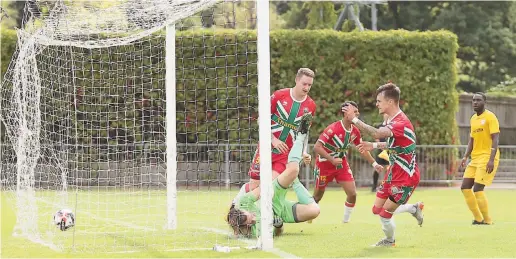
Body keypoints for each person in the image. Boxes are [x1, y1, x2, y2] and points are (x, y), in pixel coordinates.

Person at [342, 82, 424, 247]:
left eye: (379, 101)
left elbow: (378, 133)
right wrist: (372, 146)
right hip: (393, 173)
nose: (377, 104)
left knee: (385, 214)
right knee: (376, 210)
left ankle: (389, 241)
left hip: (406, 177)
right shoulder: (393, 121)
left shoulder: (400, 122)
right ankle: (413, 209)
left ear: (390, 102)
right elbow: (397, 144)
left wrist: (354, 119)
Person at [231, 68, 317, 206]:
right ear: (296, 80)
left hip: (284, 154)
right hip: (266, 147)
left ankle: (247, 212)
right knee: (254, 185)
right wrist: (272, 139)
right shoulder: (279, 95)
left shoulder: (311, 106)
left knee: (268, 186)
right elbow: (261, 119)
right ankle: (235, 205)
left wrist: (304, 151)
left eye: (309, 85)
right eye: (304, 84)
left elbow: (304, 132)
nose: (306, 88)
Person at [227, 113, 320, 238]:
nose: (255, 218)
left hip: (272, 196)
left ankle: (300, 137)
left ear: (242, 209)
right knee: (315, 211)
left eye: (252, 215)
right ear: (247, 227)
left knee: (292, 170)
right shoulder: (255, 231)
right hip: (281, 211)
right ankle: (295, 180)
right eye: (252, 221)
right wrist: (279, 226)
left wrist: (275, 183)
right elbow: (278, 233)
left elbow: (263, 189)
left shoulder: (244, 202)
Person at [309, 101, 384, 224]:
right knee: (317, 196)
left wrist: (374, 164)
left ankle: (345, 221)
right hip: (324, 165)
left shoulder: (355, 131)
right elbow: (317, 147)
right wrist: (332, 159)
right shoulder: (332, 129)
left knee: (352, 193)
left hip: (341, 165)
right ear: (345, 113)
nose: (357, 113)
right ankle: (309, 214)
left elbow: (362, 149)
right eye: (354, 111)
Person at [459, 92, 500, 225]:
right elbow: (471, 140)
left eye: (478, 100)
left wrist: (491, 159)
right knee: (465, 187)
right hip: (475, 159)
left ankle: (488, 221)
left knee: (478, 189)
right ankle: (478, 218)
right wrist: (465, 156)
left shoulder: (490, 117)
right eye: (473, 100)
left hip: (487, 157)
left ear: (484, 102)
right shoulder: (473, 119)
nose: (475, 102)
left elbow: (496, 139)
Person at [372, 114, 391, 192]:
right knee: (377, 169)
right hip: (381, 151)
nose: (386, 116)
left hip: (389, 152)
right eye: (385, 115)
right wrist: (380, 146)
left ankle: (387, 187)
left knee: (388, 170)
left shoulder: (391, 126)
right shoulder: (379, 126)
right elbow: (376, 137)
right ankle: (374, 186)